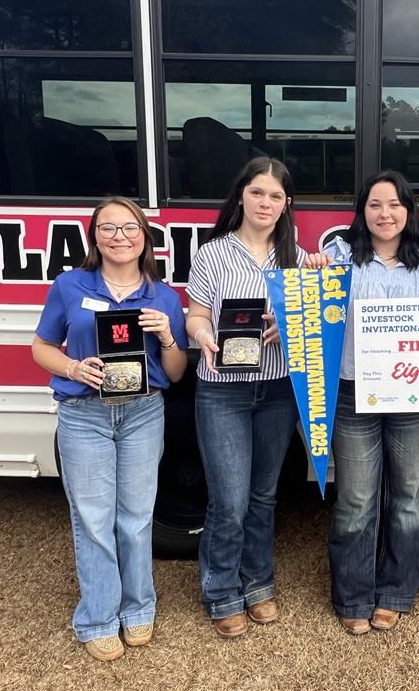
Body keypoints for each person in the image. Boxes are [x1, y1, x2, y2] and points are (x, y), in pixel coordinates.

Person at [305, 171, 419, 635]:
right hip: (352, 391)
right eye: (375, 205)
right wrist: (312, 277)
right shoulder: (336, 259)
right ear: (362, 213)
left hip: (410, 396)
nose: (385, 214)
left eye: (395, 205)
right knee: (356, 498)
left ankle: (395, 590)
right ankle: (353, 594)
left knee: (405, 497)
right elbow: (304, 309)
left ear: (409, 211)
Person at [31, 197, 188, 662]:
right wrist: (74, 368)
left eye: (129, 227)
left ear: (145, 236)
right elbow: (41, 347)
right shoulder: (70, 285)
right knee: (93, 519)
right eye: (108, 228)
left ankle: (139, 607)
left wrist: (167, 335)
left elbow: (176, 373)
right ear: (94, 237)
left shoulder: (165, 297)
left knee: (137, 517)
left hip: (143, 412)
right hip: (84, 414)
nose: (120, 236)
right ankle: (98, 616)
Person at [185, 157, 306, 639]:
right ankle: (220, 591)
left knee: (263, 495)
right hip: (222, 391)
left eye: (276, 196)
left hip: (278, 389)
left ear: (286, 205)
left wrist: (292, 322)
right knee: (229, 501)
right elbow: (194, 315)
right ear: (241, 196)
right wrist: (203, 336)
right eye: (258, 192)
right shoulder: (213, 253)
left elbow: (318, 320)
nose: (266, 202)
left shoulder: (297, 258)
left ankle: (258, 583)